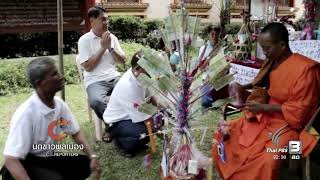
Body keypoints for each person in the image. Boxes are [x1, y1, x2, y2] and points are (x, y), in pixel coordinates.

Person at [211, 22, 320, 180]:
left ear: (282, 45)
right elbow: (261, 85)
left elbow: (300, 112)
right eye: (262, 48)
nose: (264, 52)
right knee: (227, 132)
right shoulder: (273, 61)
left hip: (287, 123)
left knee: (266, 160)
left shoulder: (306, 71)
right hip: (263, 115)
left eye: (267, 48)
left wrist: (265, 107)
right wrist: (241, 88)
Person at [1, 57, 100, 180]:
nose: (61, 76)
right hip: (23, 164)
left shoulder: (58, 104)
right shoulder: (26, 113)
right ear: (39, 83)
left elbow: (76, 132)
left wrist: (92, 157)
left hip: (45, 157)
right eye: (54, 74)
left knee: (85, 164)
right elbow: (11, 160)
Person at [77, 6, 126, 142]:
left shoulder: (112, 38)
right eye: (102, 19)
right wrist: (102, 47)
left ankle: (118, 125)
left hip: (114, 76)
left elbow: (122, 61)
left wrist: (110, 48)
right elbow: (87, 67)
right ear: (92, 21)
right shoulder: (84, 40)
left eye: (107, 20)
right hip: (95, 81)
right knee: (97, 101)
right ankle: (114, 126)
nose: (106, 22)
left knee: (132, 90)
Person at [103, 51, 153, 157]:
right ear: (136, 69)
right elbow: (145, 117)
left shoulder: (140, 76)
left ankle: (134, 139)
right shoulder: (127, 86)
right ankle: (121, 142)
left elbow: (151, 98)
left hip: (130, 116)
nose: (150, 72)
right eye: (147, 69)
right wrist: (158, 131)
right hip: (117, 121)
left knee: (156, 123)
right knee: (145, 133)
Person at [198, 25, 221, 108]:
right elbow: (200, 67)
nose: (214, 37)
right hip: (207, 79)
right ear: (208, 34)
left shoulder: (222, 48)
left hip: (220, 79)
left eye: (216, 34)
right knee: (206, 103)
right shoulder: (203, 49)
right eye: (212, 34)